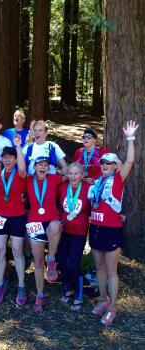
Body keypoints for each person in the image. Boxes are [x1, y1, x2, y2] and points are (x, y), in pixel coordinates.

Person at [87, 121, 138, 326]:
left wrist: (130, 138)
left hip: (111, 229)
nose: (105, 164)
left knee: (111, 270)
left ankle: (113, 307)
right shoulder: (97, 181)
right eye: (103, 162)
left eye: (109, 162)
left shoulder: (118, 179)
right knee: (98, 267)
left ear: (116, 166)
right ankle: (102, 299)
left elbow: (131, 161)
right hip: (96, 227)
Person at [0, 134, 27, 305]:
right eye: (5, 157)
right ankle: (0, 283)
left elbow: (24, 169)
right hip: (0, 216)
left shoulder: (20, 174)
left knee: (17, 251)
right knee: (0, 251)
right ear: (2, 159)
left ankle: (22, 286)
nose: (8, 160)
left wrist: (18, 147)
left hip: (17, 216)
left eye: (11, 158)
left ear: (15, 159)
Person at [26, 156, 62, 312]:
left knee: (56, 225)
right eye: (40, 164)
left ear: (49, 168)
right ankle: (39, 295)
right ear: (34, 167)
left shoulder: (55, 178)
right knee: (38, 262)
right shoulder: (27, 180)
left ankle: (52, 258)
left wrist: (86, 178)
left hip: (50, 220)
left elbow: (74, 175)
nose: (43, 167)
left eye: (46, 165)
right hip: (35, 223)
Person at [57, 163, 91, 311]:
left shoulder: (88, 188)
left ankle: (79, 295)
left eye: (76, 173)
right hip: (64, 230)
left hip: (79, 231)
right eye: (70, 173)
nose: (73, 176)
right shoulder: (62, 187)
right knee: (62, 260)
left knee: (74, 263)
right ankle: (68, 288)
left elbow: (95, 207)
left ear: (82, 175)